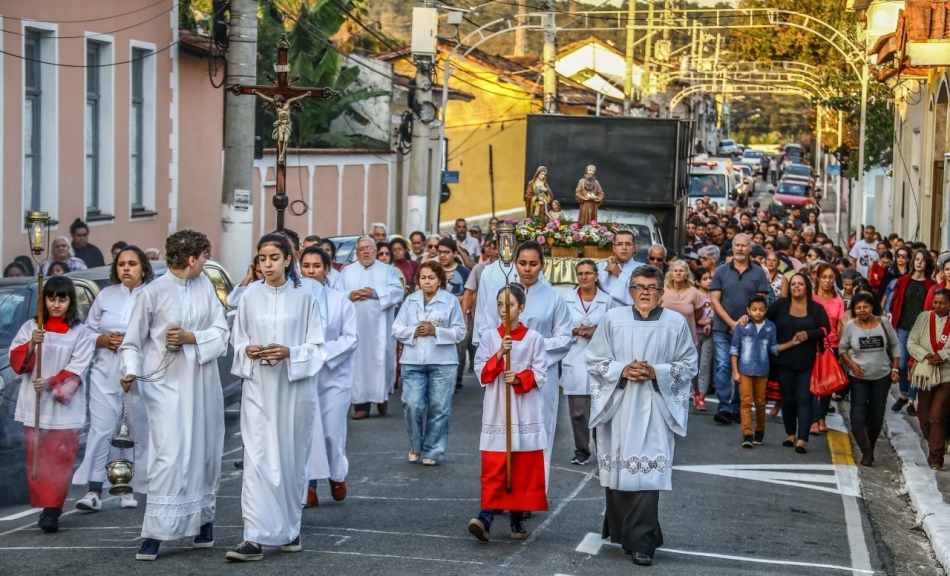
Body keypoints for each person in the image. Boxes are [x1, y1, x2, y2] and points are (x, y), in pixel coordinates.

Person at [118, 230, 230, 561]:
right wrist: (129, 369)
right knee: (168, 454)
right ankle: (154, 532)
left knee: (204, 451)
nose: (206, 262)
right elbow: (132, 342)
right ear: (192, 258)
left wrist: (190, 337)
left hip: (202, 381)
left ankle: (203, 522)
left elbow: (221, 330)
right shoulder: (151, 293)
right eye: (204, 257)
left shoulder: (205, 285)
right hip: (164, 384)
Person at [585, 265, 698, 567]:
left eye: (651, 287)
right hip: (619, 404)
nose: (645, 292)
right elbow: (594, 359)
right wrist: (621, 369)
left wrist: (656, 371)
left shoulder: (675, 323)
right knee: (620, 472)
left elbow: (689, 364)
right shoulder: (613, 319)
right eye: (639, 286)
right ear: (630, 291)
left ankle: (644, 542)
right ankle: (625, 533)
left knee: (648, 474)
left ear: (662, 293)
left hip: (655, 407)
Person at [225, 234, 326, 562]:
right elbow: (237, 340)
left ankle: (290, 530)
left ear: (287, 260)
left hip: (294, 391)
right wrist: (247, 350)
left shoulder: (306, 296)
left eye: (273, 258)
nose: (267, 264)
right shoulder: (249, 296)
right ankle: (253, 537)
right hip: (258, 388)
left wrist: (290, 353)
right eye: (262, 258)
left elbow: (317, 347)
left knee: (290, 458)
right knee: (256, 459)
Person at [9, 276, 95, 533]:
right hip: (33, 404)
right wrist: (33, 342)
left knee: (60, 458)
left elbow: (78, 369)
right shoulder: (30, 328)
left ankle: (52, 511)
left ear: (71, 301)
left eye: (62, 298)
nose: (56, 304)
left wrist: (49, 383)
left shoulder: (81, 333)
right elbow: (17, 362)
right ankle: (44, 503)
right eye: (51, 298)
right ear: (44, 300)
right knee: (38, 456)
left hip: (63, 407)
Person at [72, 247, 154, 512]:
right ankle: (94, 490)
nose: (126, 269)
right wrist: (104, 340)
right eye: (121, 264)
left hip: (139, 373)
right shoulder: (106, 295)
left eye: (132, 263)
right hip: (105, 372)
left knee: (133, 429)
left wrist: (132, 342)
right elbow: (87, 331)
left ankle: (127, 487)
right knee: (102, 429)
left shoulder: (152, 294)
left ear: (143, 267)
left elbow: (160, 334)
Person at [485, 242, 572, 484]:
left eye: (533, 264)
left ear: (542, 265)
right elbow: (487, 329)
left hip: (539, 375)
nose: (527, 269)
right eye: (522, 263)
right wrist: (499, 354)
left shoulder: (554, 299)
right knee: (503, 429)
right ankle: (503, 487)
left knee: (537, 430)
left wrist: (532, 346)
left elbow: (565, 339)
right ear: (515, 263)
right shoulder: (504, 295)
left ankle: (532, 491)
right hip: (506, 371)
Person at [467, 284, 548, 542]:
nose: (504, 310)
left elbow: (542, 373)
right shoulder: (490, 337)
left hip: (524, 410)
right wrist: (501, 353)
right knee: (495, 464)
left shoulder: (534, 338)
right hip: (498, 410)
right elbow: (481, 372)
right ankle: (486, 516)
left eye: (510, 305)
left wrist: (522, 377)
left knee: (521, 465)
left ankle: (516, 516)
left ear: (521, 308)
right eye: (500, 304)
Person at [299, 246, 358, 508]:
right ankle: (308, 485)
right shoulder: (294, 300)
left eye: (316, 266)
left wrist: (323, 353)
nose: (310, 271)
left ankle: (336, 475)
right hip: (303, 375)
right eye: (306, 266)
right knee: (307, 432)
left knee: (332, 431)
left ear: (326, 270)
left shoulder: (339, 301)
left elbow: (350, 338)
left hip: (334, 377)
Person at [392, 261, 466, 466]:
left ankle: (433, 450)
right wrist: (414, 331)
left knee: (439, 407)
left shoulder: (450, 302)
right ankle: (416, 445)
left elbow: (460, 332)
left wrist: (437, 332)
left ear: (440, 280)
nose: (427, 282)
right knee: (412, 404)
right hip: (413, 361)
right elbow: (396, 328)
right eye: (423, 278)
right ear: (418, 280)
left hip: (443, 362)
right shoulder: (410, 301)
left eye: (431, 278)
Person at [339, 236, 403, 420]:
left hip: (379, 329)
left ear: (375, 251)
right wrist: (350, 295)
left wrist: (374, 293)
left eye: (369, 248)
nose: (366, 251)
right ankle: (361, 406)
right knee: (358, 365)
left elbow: (397, 292)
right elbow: (336, 294)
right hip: (355, 327)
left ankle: (381, 397)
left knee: (379, 361)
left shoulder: (387, 270)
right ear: (357, 252)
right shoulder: (347, 272)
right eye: (362, 249)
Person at [766, 273, 831, 454]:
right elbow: (764, 321)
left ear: (807, 287)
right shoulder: (779, 306)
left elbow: (826, 329)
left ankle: (802, 439)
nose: (796, 287)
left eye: (800, 284)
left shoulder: (816, 309)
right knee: (788, 399)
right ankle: (790, 434)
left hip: (808, 361)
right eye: (793, 284)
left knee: (804, 399)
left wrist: (808, 334)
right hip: (783, 361)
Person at [709, 234, 770, 425]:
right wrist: (731, 323)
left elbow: (761, 303)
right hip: (722, 328)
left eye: (744, 245)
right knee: (723, 367)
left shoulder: (759, 273)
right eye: (737, 245)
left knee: (743, 369)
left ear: (750, 248)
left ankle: (737, 407)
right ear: (732, 247)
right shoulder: (720, 271)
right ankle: (724, 407)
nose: (740, 249)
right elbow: (714, 301)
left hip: (750, 331)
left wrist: (744, 323)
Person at [561, 260, 614, 466]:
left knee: (600, 410)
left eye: (588, 273)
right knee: (578, 412)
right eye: (580, 273)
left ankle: (602, 450)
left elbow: (613, 330)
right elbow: (559, 328)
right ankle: (581, 450)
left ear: (596, 276)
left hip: (599, 359)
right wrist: (574, 331)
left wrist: (596, 332)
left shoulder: (607, 301)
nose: (584, 277)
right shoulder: (566, 300)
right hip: (574, 358)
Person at [839, 292, 900, 467]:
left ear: (872, 307)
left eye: (865, 306)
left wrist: (895, 368)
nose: (862, 310)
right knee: (857, 416)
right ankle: (866, 452)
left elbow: (895, 345)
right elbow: (842, 349)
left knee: (876, 417)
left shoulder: (884, 323)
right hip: (858, 378)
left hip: (882, 376)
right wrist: (851, 364)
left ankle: (870, 446)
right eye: (858, 307)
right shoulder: (850, 327)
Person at [906, 288, 950, 470]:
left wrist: (942, 354)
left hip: (947, 373)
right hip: (924, 372)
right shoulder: (923, 317)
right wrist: (926, 355)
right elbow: (911, 342)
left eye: (942, 303)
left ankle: (936, 458)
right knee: (924, 416)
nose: (938, 306)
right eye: (935, 302)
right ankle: (939, 440)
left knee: (936, 415)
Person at [890, 249, 936, 417]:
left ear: (927, 264)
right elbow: (893, 302)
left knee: (915, 365)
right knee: (901, 364)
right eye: (916, 259)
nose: (919, 262)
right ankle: (902, 394)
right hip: (903, 327)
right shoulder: (903, 281)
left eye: (922, 260)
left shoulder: (931, 285)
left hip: (921, 330)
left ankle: (910, 400)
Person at [730, 295, 779, 448]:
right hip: (744, 369)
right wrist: (735, 371)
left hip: (762, 370)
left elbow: (774, 348)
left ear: (766, 310)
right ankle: (747, 434)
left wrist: (792, 343)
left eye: (761, 310)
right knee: (745, 402)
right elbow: (734, 349)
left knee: (760, 402)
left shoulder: (770, 327)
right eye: (754, 309)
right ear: (748, 310)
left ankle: (759, 429)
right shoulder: (742, 326)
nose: (758, 313)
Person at [811, 263, 846, 434]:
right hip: (811, 344)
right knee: (810, 383)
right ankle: (812, 419)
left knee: (826, 385)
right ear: (817, 277)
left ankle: (821, 417)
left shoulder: (837, 300)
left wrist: (840, 348)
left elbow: (840, 324)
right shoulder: (810, 297)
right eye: (824, 277)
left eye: (831, 277)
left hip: (831, 345)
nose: (827, 280)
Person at [659, 261, 704, 344]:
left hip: (687, 338)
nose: (678, 273)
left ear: (686, 275)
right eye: (675, 271)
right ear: (671, 274)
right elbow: (655, 310)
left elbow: (699, 312)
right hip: (665, 337)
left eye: (681, 271)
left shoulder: (694, 292)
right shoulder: (662, 290)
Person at [598, 229, 641, 306]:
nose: (624, 248)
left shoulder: (642, 268)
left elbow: (639, 293)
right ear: (614, 248)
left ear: (634, 248)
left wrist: (619, 273)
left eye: (628, 244)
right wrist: (606, 271)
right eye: (620, 244)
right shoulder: (602, 266)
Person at [692, 266, 714, 410]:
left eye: (710, 278)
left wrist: (710, 322)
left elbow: (717, 311)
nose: (709, 281)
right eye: (705, 279)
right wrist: (700, 321)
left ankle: (702, 397)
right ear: (697, 281)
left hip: (708, 335)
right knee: (694, 365)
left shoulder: (714, 295)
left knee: (705, 366)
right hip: (694, 333)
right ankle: (696, 392)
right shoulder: (694, 295)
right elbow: (689, 312)